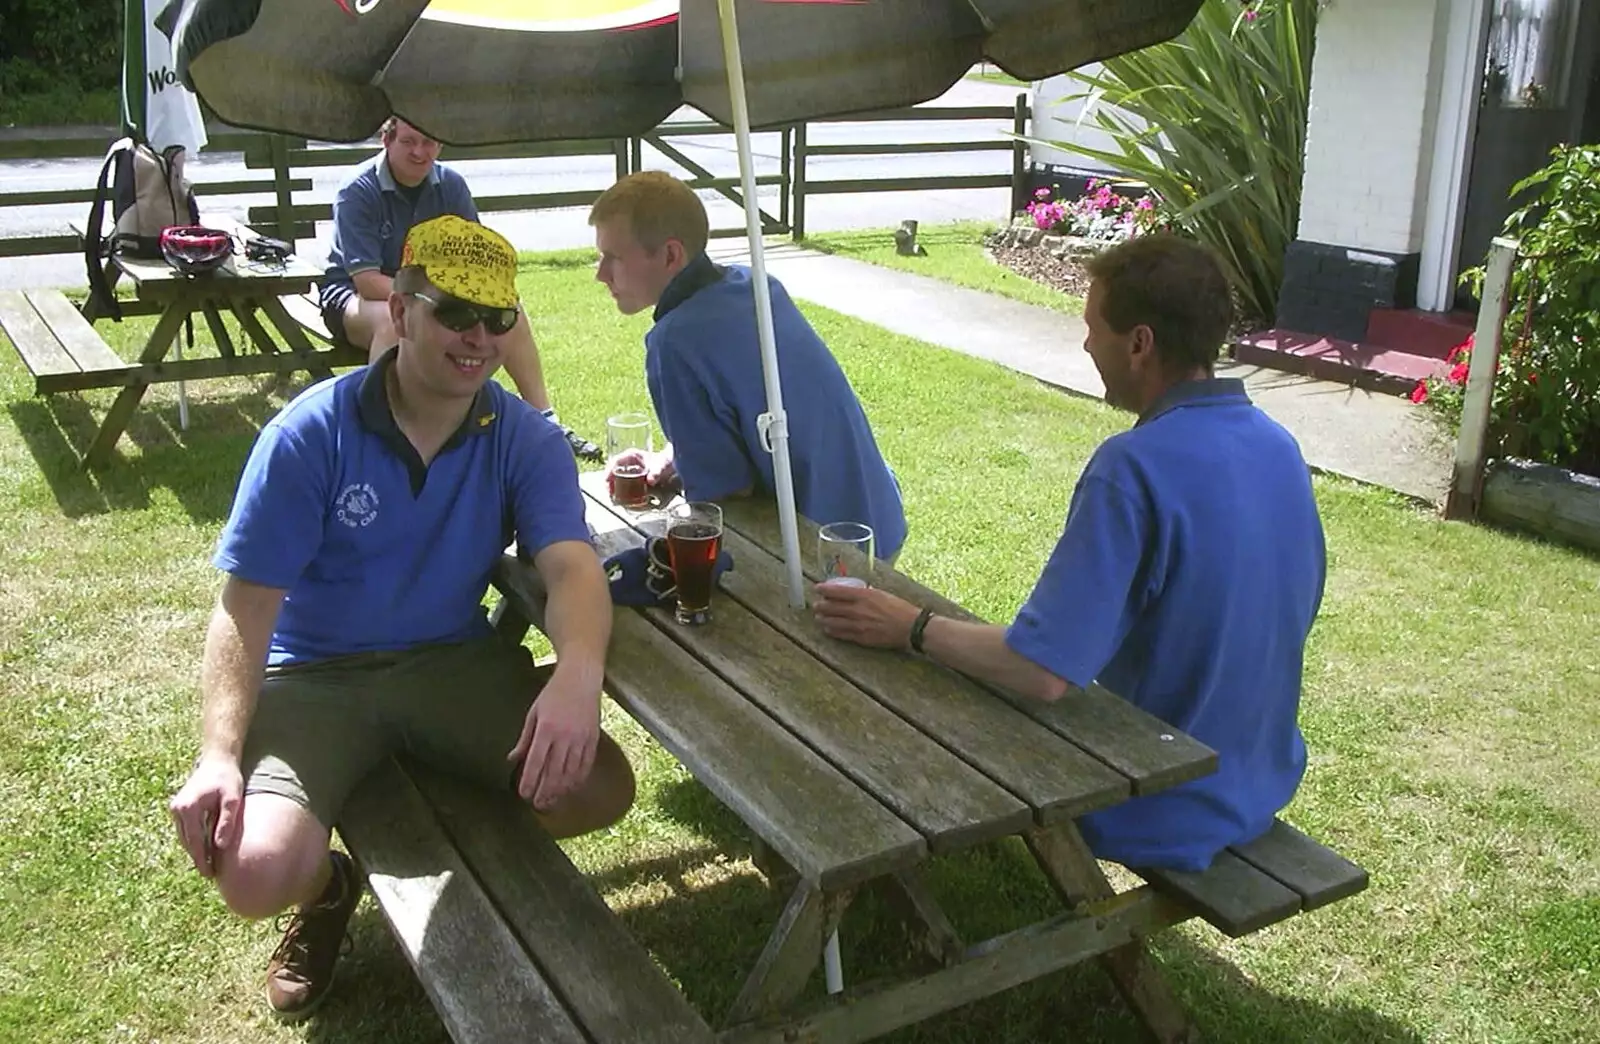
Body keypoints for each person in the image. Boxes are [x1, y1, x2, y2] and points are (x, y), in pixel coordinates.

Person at [169, 215, 635, 1021]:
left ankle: (446, 838)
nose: (479, 337)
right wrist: (217, 755)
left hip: (448, 663)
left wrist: (578, 677)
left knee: (597, 785)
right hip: (318, 674)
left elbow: (572, 567)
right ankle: (328, 890)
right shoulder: (309, 434)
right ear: (401, 312)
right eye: (456, 312)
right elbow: (245, 612)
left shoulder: (523, 437)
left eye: (499, 318)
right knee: (250, 872)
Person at [813, 234, 1326, 873]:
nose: (1085, 345)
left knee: (917, 696)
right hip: (1257, 778)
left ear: (1139, 343)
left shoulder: (1134, 468)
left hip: (1157, 800)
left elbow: (1040, 672)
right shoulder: (1278, 446)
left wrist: (909, 626)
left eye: (1093, 328)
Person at [587, 171, 908, 559]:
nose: (600, 274)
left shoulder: (673, 342)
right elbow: (757, 414)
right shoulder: (754, 283)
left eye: (613, 258)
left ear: (671, 255)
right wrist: (674, 458)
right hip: (879, 517)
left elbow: (725, 498)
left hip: (825, 552)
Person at [319, 115, 601, 460]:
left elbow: (477, 266)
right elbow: (366, 280)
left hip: (432, 294)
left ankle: (546, 420)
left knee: (509, 310)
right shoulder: (357, 190)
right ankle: (377, 431)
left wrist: (449, 302)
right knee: (395, 323)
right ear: (387, 140)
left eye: (429, 142)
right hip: (354, 295)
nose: (420, 152)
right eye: (409, 142)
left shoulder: (451, 185)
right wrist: (434, 301)